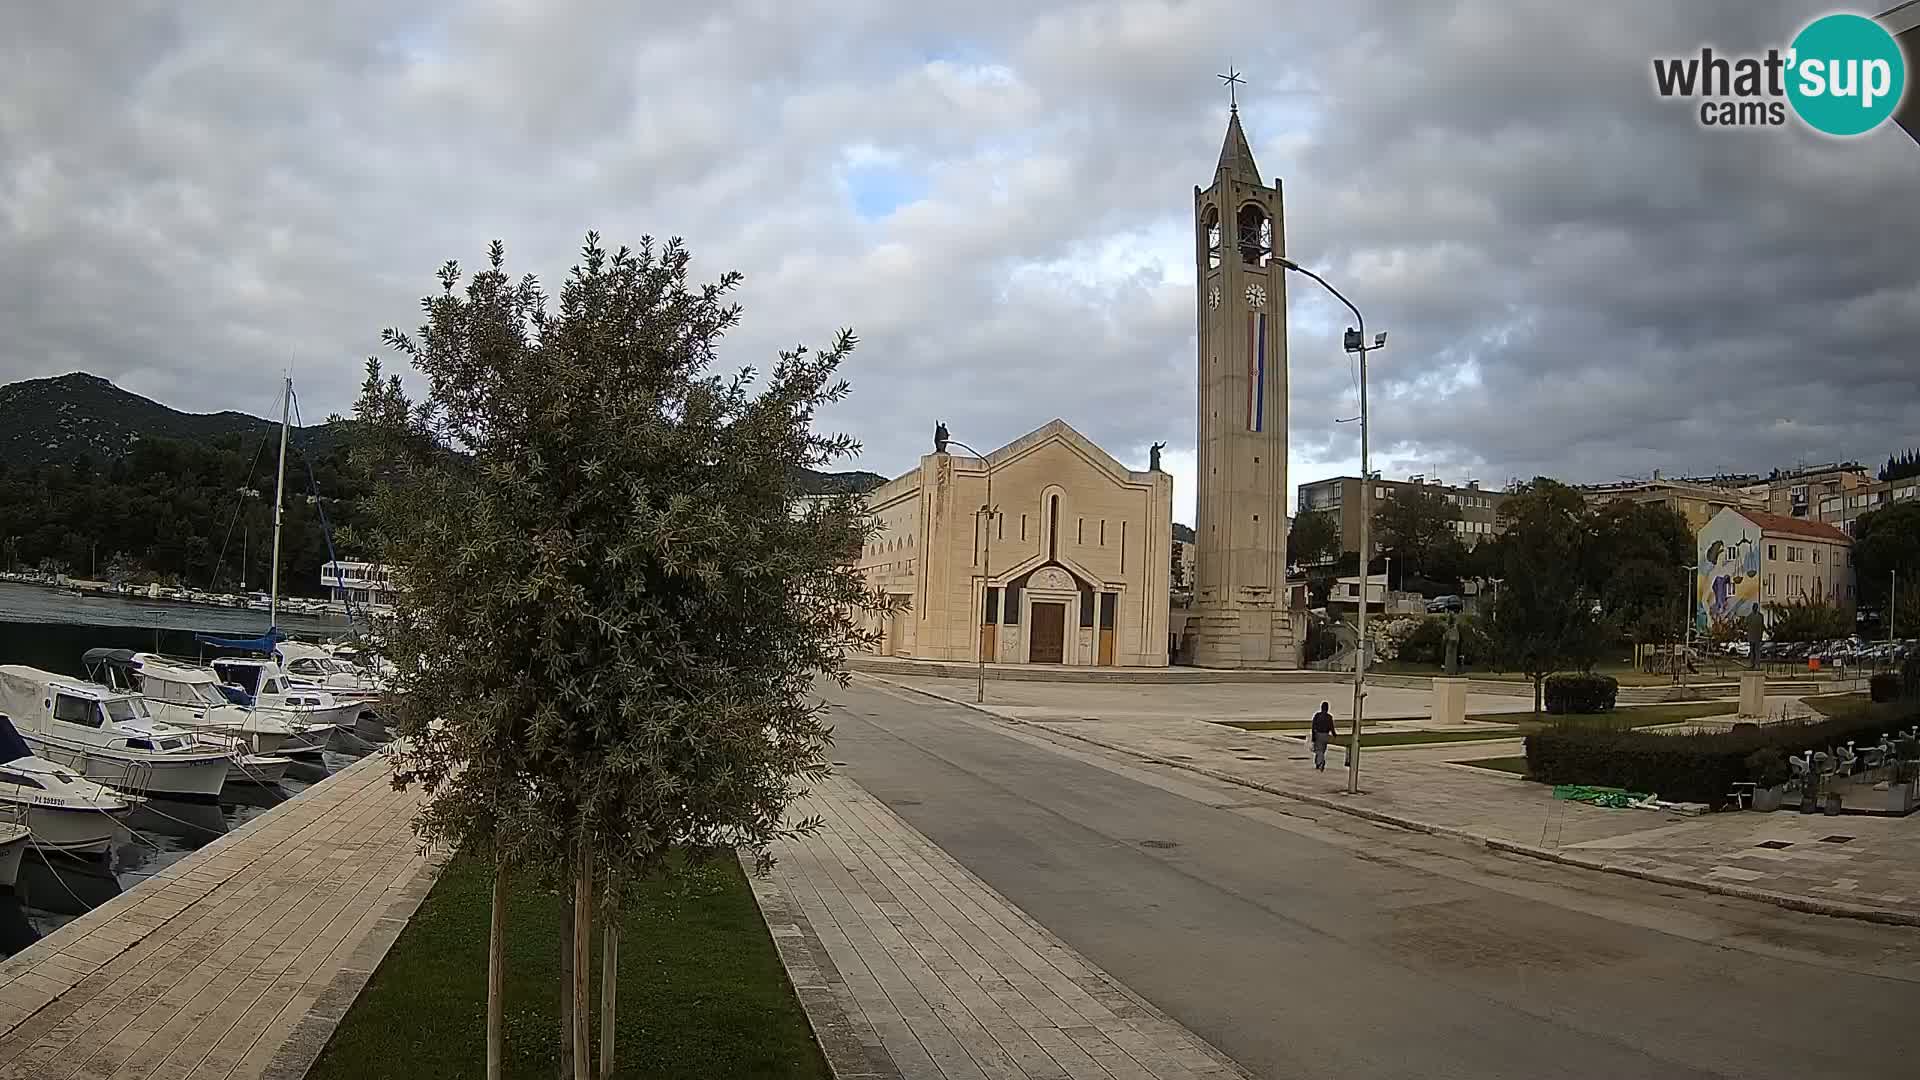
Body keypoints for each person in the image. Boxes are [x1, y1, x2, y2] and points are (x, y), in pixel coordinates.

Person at [1310, 701, 1336, 772]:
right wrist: (1334, 735)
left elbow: (1313, 726)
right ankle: (1318, 762)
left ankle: (1320, 762)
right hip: (1326, 735)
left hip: (1318, 734)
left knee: (1319, 750)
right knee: (1322, 750)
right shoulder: (1329, 717)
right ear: (1327, 708)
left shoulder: (1317, 715)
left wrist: (1313, 736)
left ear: (1321, 707)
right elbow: (1331, 727)